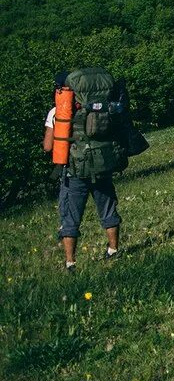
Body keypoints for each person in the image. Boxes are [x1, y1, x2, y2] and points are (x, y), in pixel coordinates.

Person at [43, 70, 121, 272]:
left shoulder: (59, 112)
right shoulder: (103, 105)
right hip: (102, 164)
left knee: (70, 215)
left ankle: (70, 263)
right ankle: (113, 249)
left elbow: (48, 146)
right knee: (108, 207)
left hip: (75, 170)